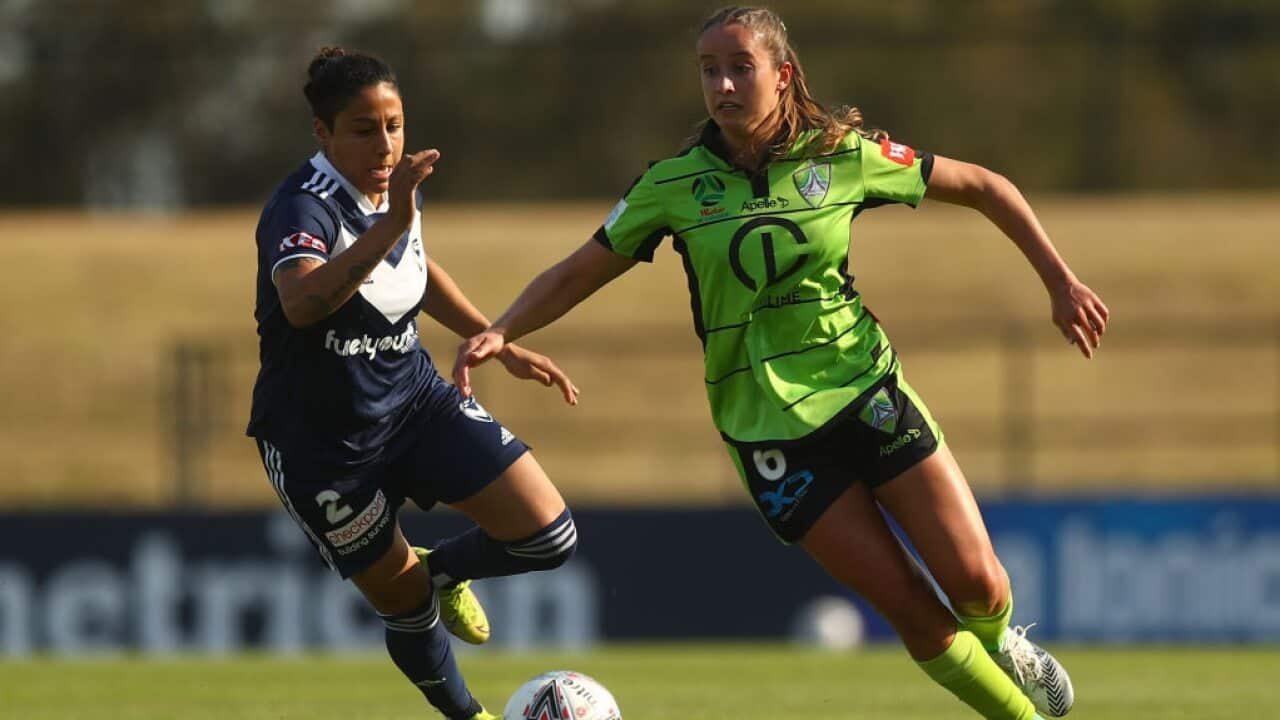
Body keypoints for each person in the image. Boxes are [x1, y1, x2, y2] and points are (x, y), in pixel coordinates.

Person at [454, 7, 1109, 720]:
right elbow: (580, 269)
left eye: (741, 67)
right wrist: (504, 326)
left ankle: (1003, 641)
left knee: (977, 584)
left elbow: (985, 186)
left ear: (782, 74)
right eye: (710, 70)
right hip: (768, 435)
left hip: (865, 389)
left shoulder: (842, 155)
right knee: (914, 612)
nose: (724, 85)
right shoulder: (672, 185)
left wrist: (1060, 281)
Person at [247, 47, 582, 720]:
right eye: (364, 129)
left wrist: (495, 336)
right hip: (322, 448)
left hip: (414, 403)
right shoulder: (301, 209)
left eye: (394, 124)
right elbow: (303, 303)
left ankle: (437, 569)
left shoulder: (398, 189)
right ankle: (470, 716)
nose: (386, 143)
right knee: (405, 611)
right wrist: (393, 220)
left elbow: (417, 269)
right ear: (324, 133)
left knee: (550, 537)